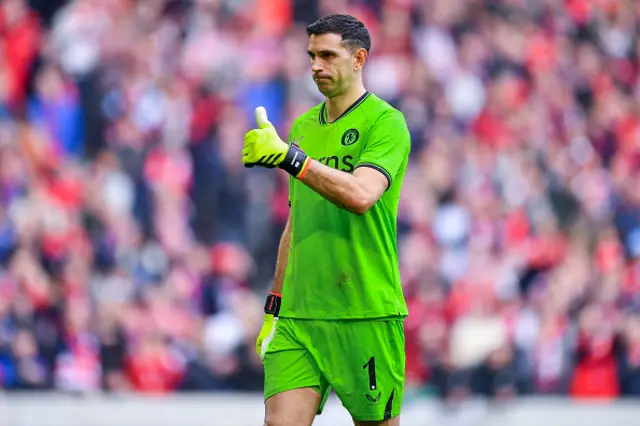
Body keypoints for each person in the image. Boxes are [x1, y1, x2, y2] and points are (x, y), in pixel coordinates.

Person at [242, 14, 411, 426]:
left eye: (328, 55)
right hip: (301, 315)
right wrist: (274, 304)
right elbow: (296, 222)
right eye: (312, 55)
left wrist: (290, 158)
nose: (316, 65)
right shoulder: (302, 127)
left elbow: (361, 195)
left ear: (359, 59)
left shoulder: (385, 123)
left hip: (365, 310)